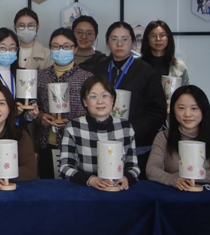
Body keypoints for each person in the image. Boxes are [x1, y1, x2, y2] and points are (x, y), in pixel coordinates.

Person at [92, 21, 167, 177]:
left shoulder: (146, 71)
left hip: (137, 147)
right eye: (114, 39)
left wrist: (129, 130)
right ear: (107, 42)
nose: (119, 44)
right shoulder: (98, 70)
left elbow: (157, 111)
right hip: (102, 143)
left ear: (132, 41)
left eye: (125, 39)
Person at [60, 75, 140, 190]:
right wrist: (91, 180)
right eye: (93, 96)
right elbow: (65, 168)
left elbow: (134, 167)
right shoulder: (73, 127)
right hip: (84, 189)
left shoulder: (126, 127)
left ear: (113, 100)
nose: (100, 101)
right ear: (85, 102)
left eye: (105, 96)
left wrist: (126, 178)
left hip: (118, 189)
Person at [35, 28, 93, 178]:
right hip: (46, 143)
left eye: (66, 46)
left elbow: (93, 113)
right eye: (56, 46)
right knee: (48, 185)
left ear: (75, 49)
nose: (61, 50)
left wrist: (73, 122)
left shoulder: (87, 78)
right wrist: (40, 116)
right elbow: (33, 108)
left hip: (76, 144)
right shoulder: (41, 77)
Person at [146, 85, 210, 189]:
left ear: (204, 110)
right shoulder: (164, 136)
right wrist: (173, 180)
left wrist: (183, 176)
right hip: (174, 192)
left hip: (207, 193)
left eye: (194, 108)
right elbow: (151, 169)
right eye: (181, 108)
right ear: (173, 109)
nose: (187, 114)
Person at [140, 20, 190, 85]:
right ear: (147, 38)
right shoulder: (137, 65)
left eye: (162, 35)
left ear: (168, 38)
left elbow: (186, 90)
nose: (158, 39)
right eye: (153, 36)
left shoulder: (180, 66)